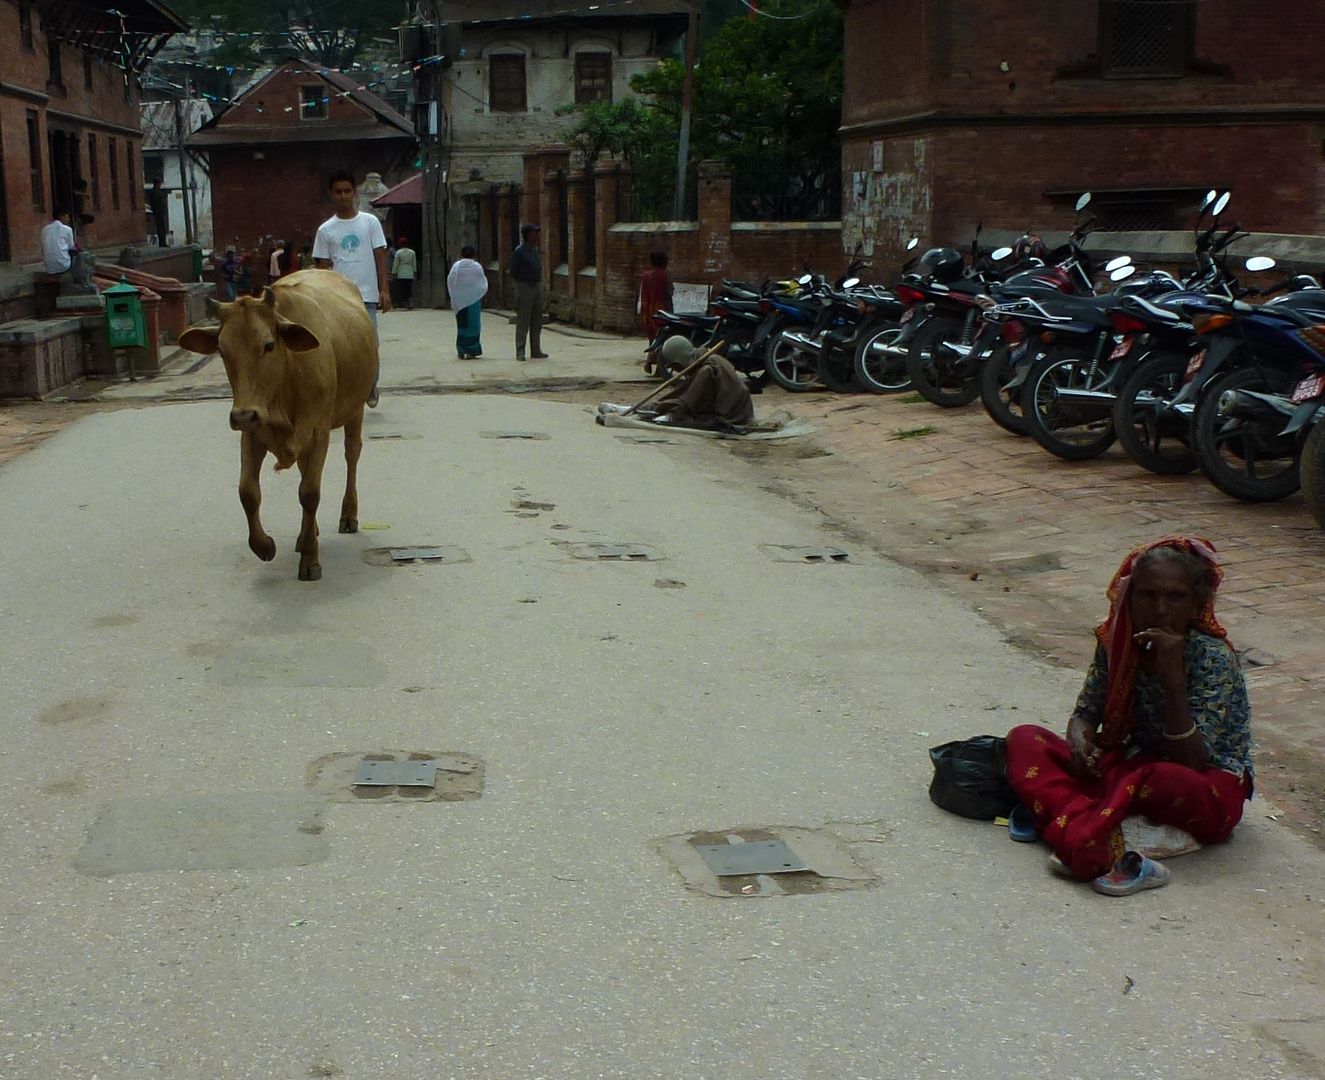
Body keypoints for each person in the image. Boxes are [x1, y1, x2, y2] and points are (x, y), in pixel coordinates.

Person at [1005, 536, 1253, 896]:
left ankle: (1071, 825)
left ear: (1196, 603)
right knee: (1025, 739)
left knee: (1158, 777)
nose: (1161, 610)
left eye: (1175, 597)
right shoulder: (1117, 643)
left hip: (1200, 783)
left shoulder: (1212, 658)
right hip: (1129, 767)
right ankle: (1098, 826)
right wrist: (1080, 744)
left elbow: (1194, 760)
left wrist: (1173, 679)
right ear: (1130, 599)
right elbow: (1084, 714)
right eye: (1148, 596)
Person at [313, 168, 391, 407]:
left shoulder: (370, 223)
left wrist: (384, 290)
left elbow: (380, 256)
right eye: (338, 192)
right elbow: (323, 267)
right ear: (331, 194)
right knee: (338, 347)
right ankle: (342, 391)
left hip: (366, 296)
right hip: (336, 299)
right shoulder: (325, 230)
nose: (344, 196)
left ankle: (370, 385)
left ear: (355, 193)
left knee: (370, 344)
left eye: (347, 191)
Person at [637, 335, 755, 431]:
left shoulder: (707, 370)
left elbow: (690, 399)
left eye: (674, 366)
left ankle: (672, 414)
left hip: (733, 414)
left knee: (687, 409)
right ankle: (651, 407)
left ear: (679, 362)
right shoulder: (700, 363)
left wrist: (676, 414)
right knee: (679, 395)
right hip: (723, 405)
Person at [509, 223, 547, 361]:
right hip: (524, 286)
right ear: (527, 235)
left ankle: (536, 350)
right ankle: (520, 350)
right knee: (523, 320)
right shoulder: (519, 252)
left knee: (537, 320)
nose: (537, 236)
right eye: (534, 233)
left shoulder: (535, 250)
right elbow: (513, 271)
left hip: (536, 286)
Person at [446, 245, 488, 358]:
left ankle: (461, 349)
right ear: (473, 255)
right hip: (473, 300)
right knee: (473, 325)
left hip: (460, 302)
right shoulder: (477, 267)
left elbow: (451, 281)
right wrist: (480, 295)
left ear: (461, 254)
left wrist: (454, 296)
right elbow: (482, 283)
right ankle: (472, 350)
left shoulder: (456, 266)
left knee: (462, 325)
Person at [639, 251, 674, 374]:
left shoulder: (646, 276)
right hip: (663, 313)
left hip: (649, 314)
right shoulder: (665, 275)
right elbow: (670, 292)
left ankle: (651, 364)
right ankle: (657, 366)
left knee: (653, 340)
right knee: (663, 340)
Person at [40, 207, 77, 276]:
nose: (68, 219)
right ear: (61, 216)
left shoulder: (44, 229)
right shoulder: (67, 229)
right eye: (67, 216)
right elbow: (71, 247)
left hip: (49, 267)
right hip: (63, 266)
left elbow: (43, 248)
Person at [392, 237, 417, 312]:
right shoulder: (412, 252)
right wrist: (414, 272)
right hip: (409, 273)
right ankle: (409, 304)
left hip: (401, 273)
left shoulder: (398, 253)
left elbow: (396, 264)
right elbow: (414, 263)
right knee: (409, 289)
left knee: (402, 290)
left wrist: (394, 272)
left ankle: (406, 305)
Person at [149, 179, 170, 247]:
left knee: (161, 227)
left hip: (159, 211)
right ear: (157, 183)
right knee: (161, 227)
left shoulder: (157, 191)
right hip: (158, 211)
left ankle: (163, 242)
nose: (160, 185)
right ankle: (162, 242)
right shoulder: (155, 192)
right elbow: (155, 202)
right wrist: (158, 209)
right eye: (160, 183)